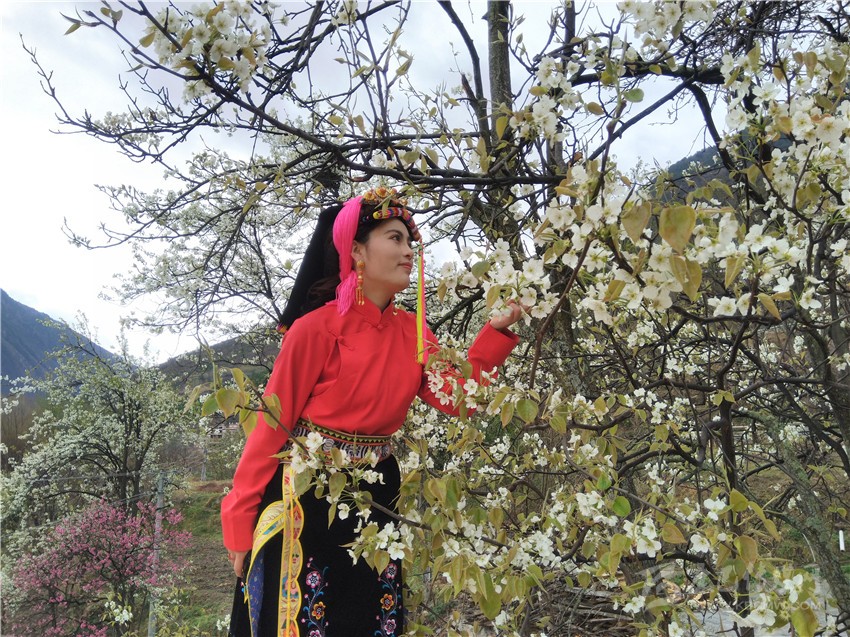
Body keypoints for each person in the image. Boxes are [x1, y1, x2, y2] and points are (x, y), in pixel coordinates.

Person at [222, 187, 523, 637]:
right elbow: (270, 428)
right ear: (357, 251)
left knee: (369, 618)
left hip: (379, 490)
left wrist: (495, 332)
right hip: (309, 494)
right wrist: (239, 519)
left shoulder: (413, 333)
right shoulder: (315, 330)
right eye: (395, 238)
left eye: (410, 242)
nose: (408, 251)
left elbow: (459, 397)